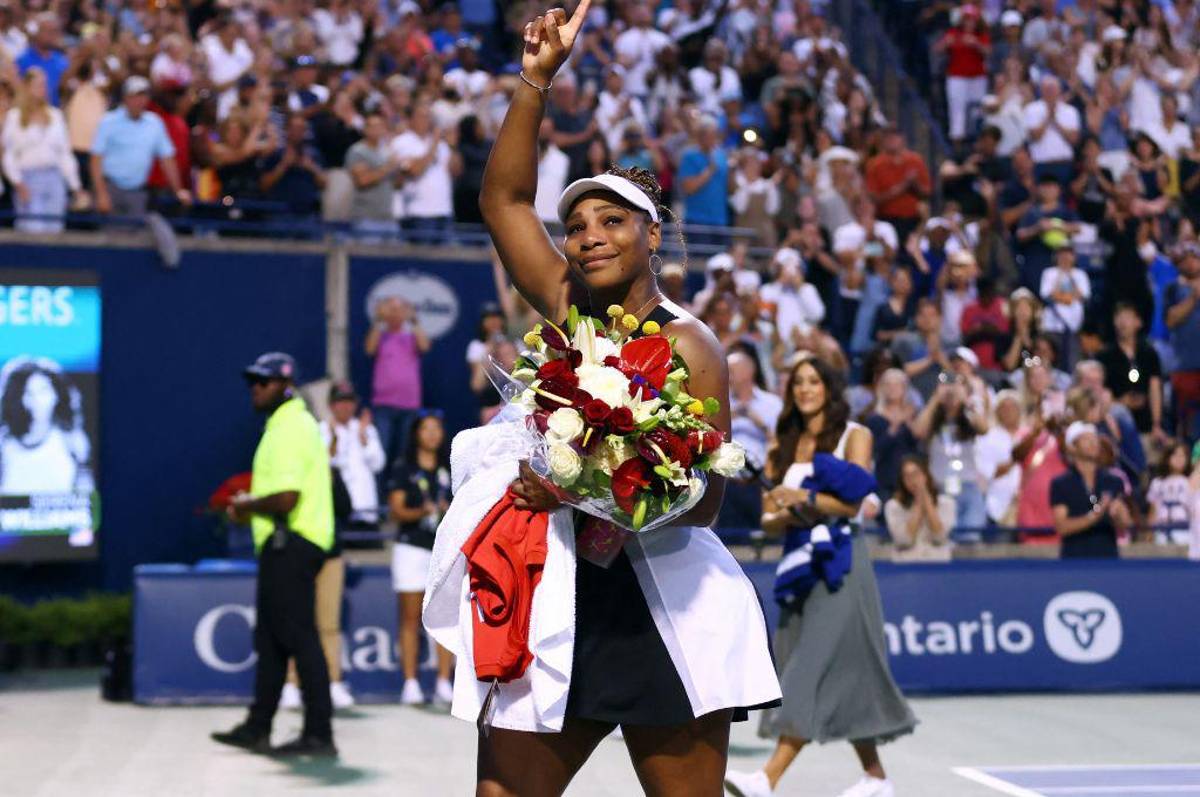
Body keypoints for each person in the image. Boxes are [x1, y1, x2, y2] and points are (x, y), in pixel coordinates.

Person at [463, 4, 780, 792]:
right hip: (559, 599)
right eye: (575, 225)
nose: (588, 235)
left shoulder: (691, 345)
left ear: (652, 234)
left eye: (610, 220)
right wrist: (536, 78)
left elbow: (705, 500)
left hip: (663, 612)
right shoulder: (567, 306)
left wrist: (583, 486)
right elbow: (502, 204)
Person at [727, 355, 916, 797]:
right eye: (798, 383)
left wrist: (804, 496)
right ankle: (876, 777)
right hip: (797, 563)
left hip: (843, 562)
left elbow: (853, 503)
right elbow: (769, 518)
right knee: (840, 668)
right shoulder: (783, 442)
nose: (805, 390)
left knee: (807, 668)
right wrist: (787, 509)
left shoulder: (857, 435)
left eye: (814, 382)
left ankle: (766, 778)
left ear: (830, 388)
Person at [211, 352, 336, 758]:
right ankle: (258, 726)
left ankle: (319, 734)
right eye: (252, 382)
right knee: (271, 640)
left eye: (262, 382)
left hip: (292, 543)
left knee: (300, 639)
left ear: (284, 384)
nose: (255, 388)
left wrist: (244, 505)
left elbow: (286, 498)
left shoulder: (289, 426)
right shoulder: (288, 423)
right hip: (287, 544)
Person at [388, 412, 454, 706]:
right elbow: (396, 511)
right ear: (416, 433)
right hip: (411, 548)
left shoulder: (448, 468)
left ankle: (443, 682)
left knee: (444, 616)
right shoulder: (404, 468)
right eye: (425, 428)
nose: (431, 434)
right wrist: (423, 512)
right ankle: (410, 682)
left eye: (436, 428)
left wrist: (446, 509)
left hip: (442, 548)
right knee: (410, 617)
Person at [90, 76, 192, 217]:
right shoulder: (108, 121)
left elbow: (167, 159)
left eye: (143, 96)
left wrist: (178, 190)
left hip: (138, 191)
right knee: (111, 236)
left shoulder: (155, 123)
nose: (140, 101)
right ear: (125, 98)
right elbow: (96, 160)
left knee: (136, 235)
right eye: (135, 96)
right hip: (111, 188)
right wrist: (101, 194)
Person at [2, 67, 82, 233]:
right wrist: (18, 183)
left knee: (55, 232)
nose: (42, 89)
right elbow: (8, 155)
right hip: (28, 180)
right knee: (32, 231)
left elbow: (65, 154)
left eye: (44, 85)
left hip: (54, 179)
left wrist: (75, 186)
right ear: (27, 87)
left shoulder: (56, 116)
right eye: (37, 85)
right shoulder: (14, 117)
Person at [0, 357, 91, 494]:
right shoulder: (3, 443)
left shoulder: (73, 441)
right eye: (28, 393)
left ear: (56, 394)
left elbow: (87, 495)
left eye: (43, 391)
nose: (36, 400)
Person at [1050, 421, 1131, 559]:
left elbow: (1124, 525)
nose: (1093, 443)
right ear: (1072, 447)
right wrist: (1094, 516)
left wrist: (1119, 513)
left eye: (1094, 439)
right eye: (1086, 439)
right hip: (1074, 561)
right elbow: (1062, 526)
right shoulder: (1061, 484)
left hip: (1107, 559)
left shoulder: (1113, 481)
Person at [366, 296, 430, 469]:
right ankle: (378, 495)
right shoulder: (380, 336)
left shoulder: (412, 337)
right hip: (383, 405)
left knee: (405, 454)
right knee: (380, 454)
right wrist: (379, 320)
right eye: (391, 309)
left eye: (399, 309)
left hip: (409, 406)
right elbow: (369, 348)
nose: (395, 313)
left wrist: (414, 320)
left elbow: (425, 346)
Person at [885, 455, 955, 562]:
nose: (912, 480)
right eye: (906, 476)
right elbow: (904, 540)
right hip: (905, 567)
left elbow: (939, 537)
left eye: (915, 474)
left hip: (938, 565)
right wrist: (918, 504)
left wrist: (926, 501)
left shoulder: (947, 503)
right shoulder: (893, 506)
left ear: (926, 475)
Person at [1147, 441, 1193, 545]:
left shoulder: (1191, 483)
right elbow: (1153, 510)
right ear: (1167, 458)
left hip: (1184, 530)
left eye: (1182, 456)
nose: (1179, 459)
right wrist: (1149, 533)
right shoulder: (1157, 483)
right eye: (1175, 455)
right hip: (1161, 529)